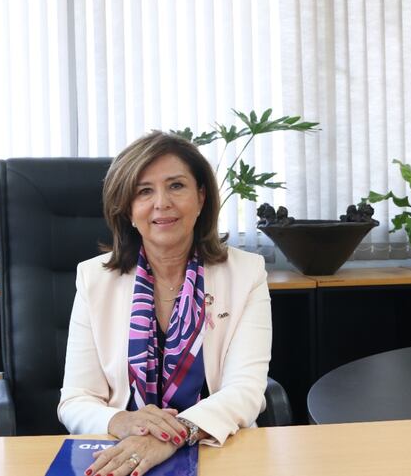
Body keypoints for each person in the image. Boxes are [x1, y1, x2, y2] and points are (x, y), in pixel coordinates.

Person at [58, 131, 272, 476]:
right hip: (121, 454)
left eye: (176, 186)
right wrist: (123, 421)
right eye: (144, 191)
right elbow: (76, 399)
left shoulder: (246, 274)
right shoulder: (94, 279)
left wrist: (175, 434)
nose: (162, 202)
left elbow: (246, 390)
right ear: (128, 209)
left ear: (200, 197)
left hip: (216, 450)